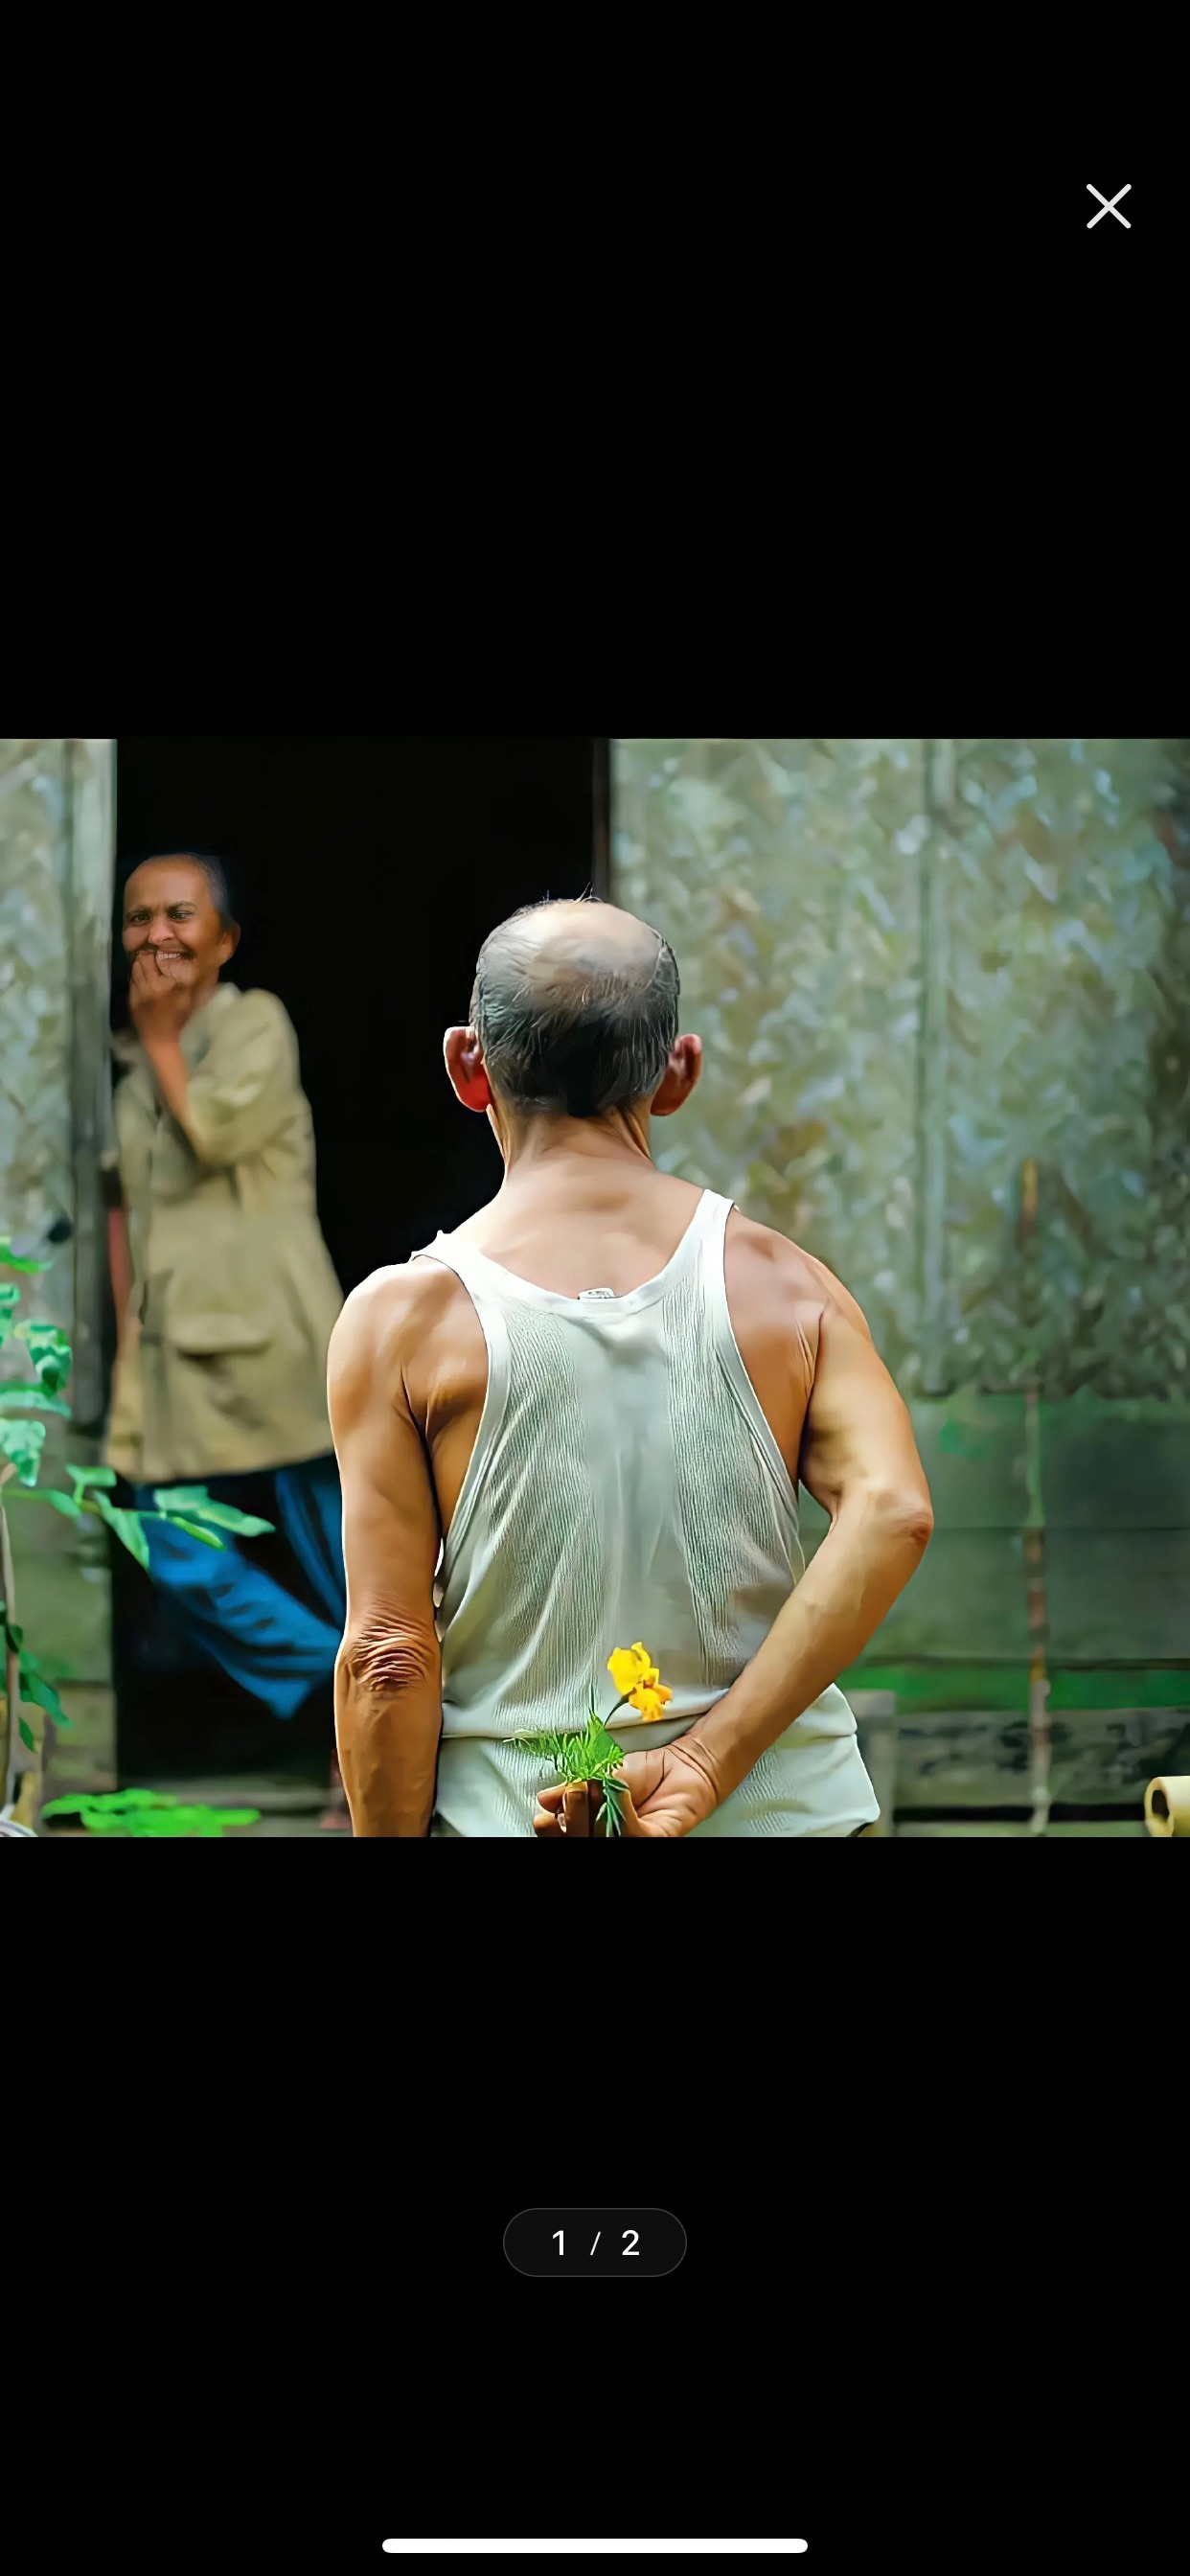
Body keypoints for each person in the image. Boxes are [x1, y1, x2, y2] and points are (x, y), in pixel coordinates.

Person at [327, 895, 935, 1838]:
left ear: (466, 1066)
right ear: (679, 1072)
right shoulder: (787, 1287)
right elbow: (893, 1510)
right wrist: (706, 1760)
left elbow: (388, 1656)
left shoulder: (403, 1321)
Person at [103, 853, 351, 1828]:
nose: (156, 934)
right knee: (171, 1543)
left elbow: (213, 1135)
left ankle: (378, 1750)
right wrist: (126, 1341)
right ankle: (353, 1693)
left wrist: (164, 1037)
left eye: (180, 914)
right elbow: (125, 1210)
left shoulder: (256, 1027)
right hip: (176, 1355)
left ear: (227, 940)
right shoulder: (130, 1064)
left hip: (274, 1340)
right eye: (138, 918)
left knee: (349, 1562)